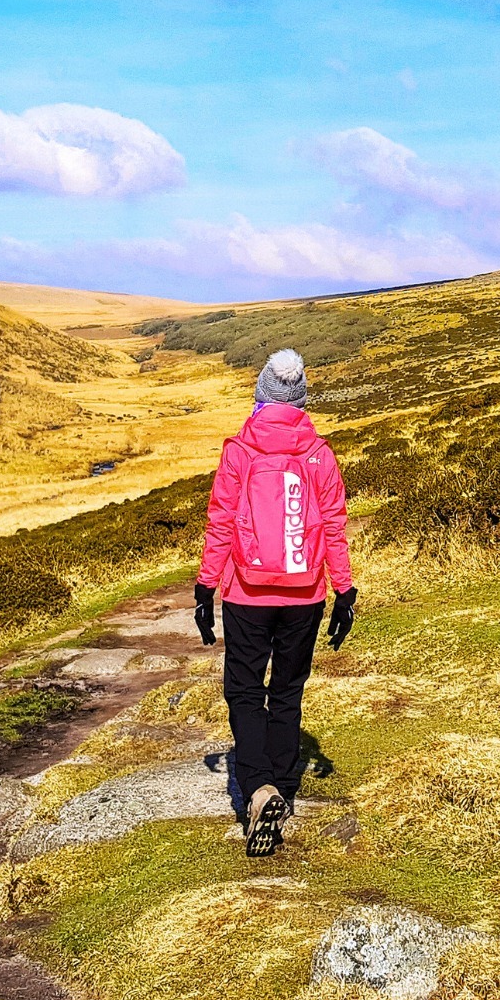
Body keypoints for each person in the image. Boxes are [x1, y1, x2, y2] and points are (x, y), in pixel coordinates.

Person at [193, 348, 356, 857]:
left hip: (247, 592)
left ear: (262, 396)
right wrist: (344, 591)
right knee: (287, 691)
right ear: (301, 401)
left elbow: (221, 521)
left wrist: (205, 586)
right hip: (305, 594)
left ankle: (259, 788)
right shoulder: (319, 454)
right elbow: (333, 526)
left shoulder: (239, 452)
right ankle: (283, 790)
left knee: (244, 689)